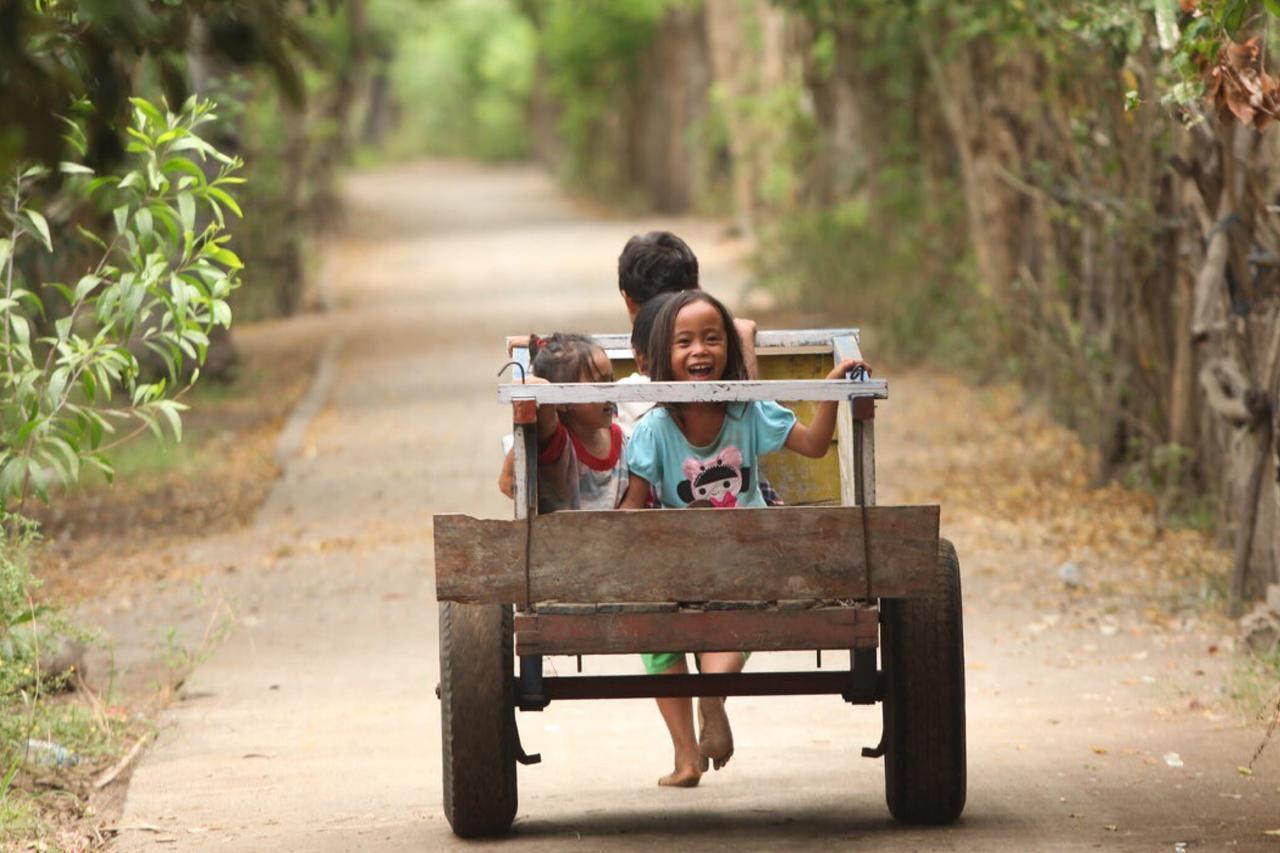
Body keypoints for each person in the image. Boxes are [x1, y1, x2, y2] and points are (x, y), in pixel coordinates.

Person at [617, 289, 867, 788]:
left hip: (730, 560)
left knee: (663, 642)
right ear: (664, 357)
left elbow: (815, 444)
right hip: (715, 564)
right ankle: (712, 697)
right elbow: (631, 508)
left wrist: (828, 392)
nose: (699, 351)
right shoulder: (656, 429)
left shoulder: (747, 411)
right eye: (684, 342)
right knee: (729, 625)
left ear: (729, 349)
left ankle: (688, 756)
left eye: (712, 339)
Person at [520, 333, 628, 513]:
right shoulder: (559, 444)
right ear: (561, 402)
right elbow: (541, 397)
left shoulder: (622, 437)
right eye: (599, 385)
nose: (609, 393)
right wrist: (537, 349)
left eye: (611, 380)